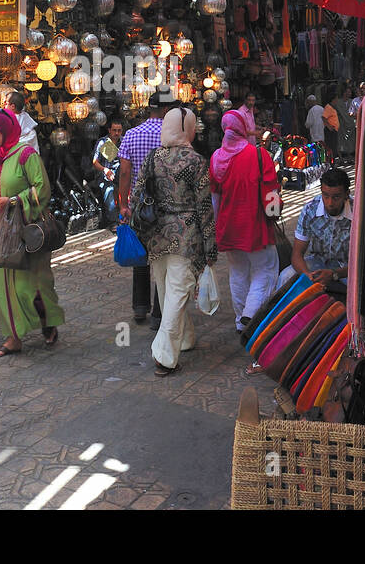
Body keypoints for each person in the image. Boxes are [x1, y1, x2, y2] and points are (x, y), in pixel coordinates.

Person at [131, 106, 216, 376]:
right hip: (186, 236)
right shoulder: (196, 161)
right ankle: (164, 356)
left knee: (169, 292)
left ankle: (185, 339)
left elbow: (137, 194)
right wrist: (210, 247)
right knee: (177, 294)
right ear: (187, 128)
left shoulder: (153, 157)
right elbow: (204, 207)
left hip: (156, 235)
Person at [0, 108, 66, 359]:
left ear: (7, 130)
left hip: (26, 234)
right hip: (0, 235)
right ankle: (13, 338)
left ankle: (47, 322)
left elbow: (42, 189)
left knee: (32, 286)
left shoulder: (26, 155)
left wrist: (14, 201)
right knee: (3, 286)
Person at [210, 109, 281, 334]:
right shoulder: (259, 155)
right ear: (242, 128)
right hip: (255, 224)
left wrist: (218, 227)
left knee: (238, 271)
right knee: (265, 269)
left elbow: (215, 198)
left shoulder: (216, 158)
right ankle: (251, 314)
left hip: (229, 226)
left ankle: (241, 320)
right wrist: (274, 214)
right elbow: (271, 190)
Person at [118, 93, 166, 327]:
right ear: (166, 110)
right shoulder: (170, 135)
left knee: (140, 256)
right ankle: (158, 314)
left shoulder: (131, 134)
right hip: (164, 205)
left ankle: (140, 307)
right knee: (162, 259)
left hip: (138, 205)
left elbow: (124, 172)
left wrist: (123, 204)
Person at [281, 167, 353, 290]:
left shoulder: (358, 212)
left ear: (346, 195)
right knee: (286, 276)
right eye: (325, 196)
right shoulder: (310, 210)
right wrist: (307, 276)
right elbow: (297, 254)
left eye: (336, 197)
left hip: (348, 267)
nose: (330, 203)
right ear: (321, 191)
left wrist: (334, 274)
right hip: (318, 262)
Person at [92, 118, 124, 225]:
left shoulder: (124, 141)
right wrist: (105, 170)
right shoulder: (102, 142)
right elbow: (95, 162)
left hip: (121, 176)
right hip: (106, 177)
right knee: (110, 196)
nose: (117, 133)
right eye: (114, 130)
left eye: (119, 130)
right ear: (109, 130)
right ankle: (114, 222)